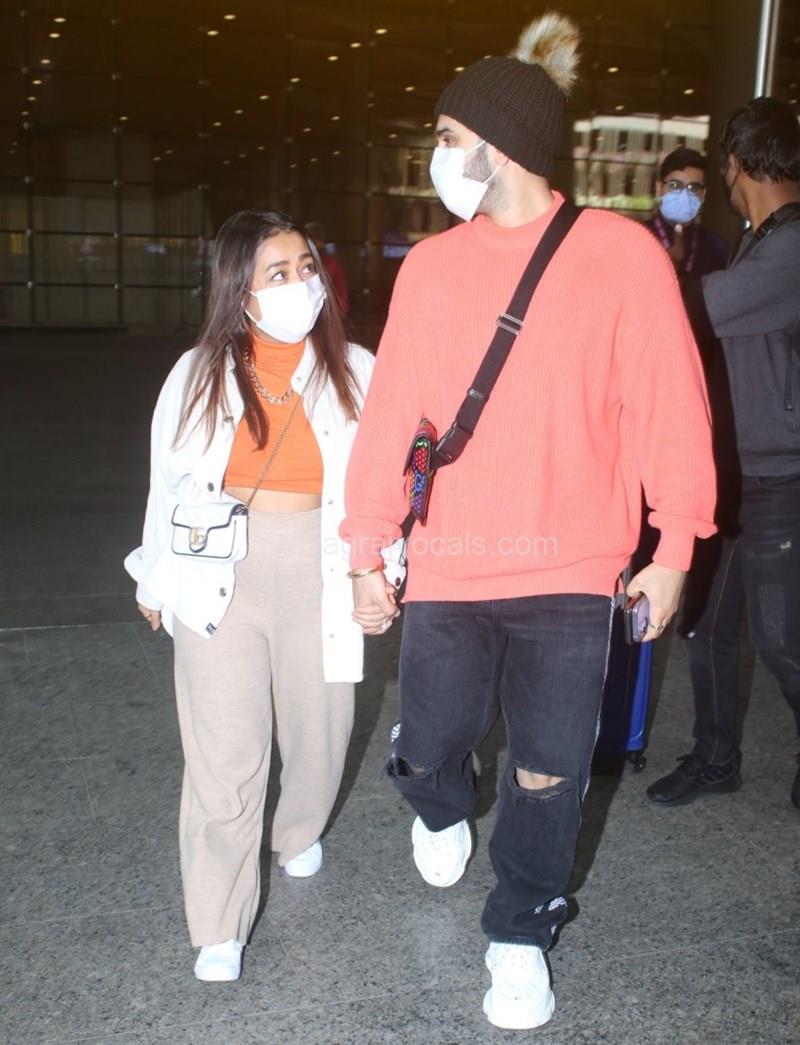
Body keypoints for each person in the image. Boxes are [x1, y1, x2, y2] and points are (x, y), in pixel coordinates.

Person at [339, 12, 716, 1032]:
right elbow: (394, 417)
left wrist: (674, 546)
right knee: (429, 751)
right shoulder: (431, 266)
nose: (436, 153)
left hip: (573, 566)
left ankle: (518, 933)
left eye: (447, 136)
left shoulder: (622, 256)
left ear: (497, 145)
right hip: (452, 563)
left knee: (550, 770)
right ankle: (440, 799)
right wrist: (366, 547)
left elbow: (668, 405)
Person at [124, 210, 403, 983]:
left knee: (320, 732)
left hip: (320, 564)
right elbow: (166, 479)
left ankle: (299, 827)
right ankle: (219, 920)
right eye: (277, 273)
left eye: (306, 268)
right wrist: (155, 575)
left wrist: (382, 568)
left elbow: (386, 485)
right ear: (237, 290)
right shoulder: (197, 373)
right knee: (224, 755)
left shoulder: (358, 368)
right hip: (220, 573)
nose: (299, 284)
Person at [647, 97, 800, 811]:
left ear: (736, 164)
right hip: (735, 471)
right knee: (707, 624)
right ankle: (715, 759)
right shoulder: (760, 238)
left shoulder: (791, 247)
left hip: (781, 476)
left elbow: (700, 306)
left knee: (779, 637)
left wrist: (630, 281)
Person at [305, 221, 350, 316]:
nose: (314, 243)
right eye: (311, 238)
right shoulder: (299, 264)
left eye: (316, 238)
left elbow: (341, 296)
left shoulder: (332, 264)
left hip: (328, 316)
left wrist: (337, 316)